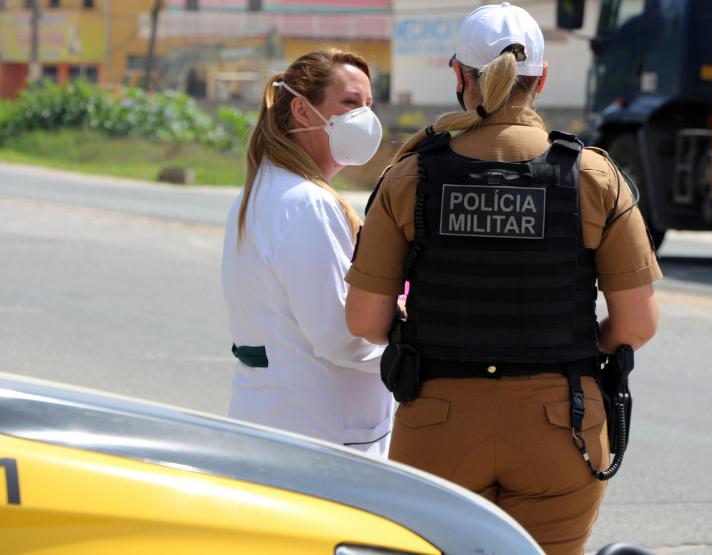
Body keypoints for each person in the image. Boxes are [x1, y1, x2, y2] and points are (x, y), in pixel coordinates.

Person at [345, 3, 661, 552]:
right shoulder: (591, 175)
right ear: (541, 78)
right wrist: (578, 345)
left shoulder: (412, 175)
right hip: (563, 425)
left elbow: (365, 320)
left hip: (438, 424)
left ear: (459, 76)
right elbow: (636, 324)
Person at [221, 49, 393, 457]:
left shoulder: (265, 189)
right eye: (350, 102)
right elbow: (343, 338)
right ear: (301, 110)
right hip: (320, 438)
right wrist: (417, 349)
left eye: (369, 104)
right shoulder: (307, 203)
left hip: (278, 421)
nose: (364, 117)